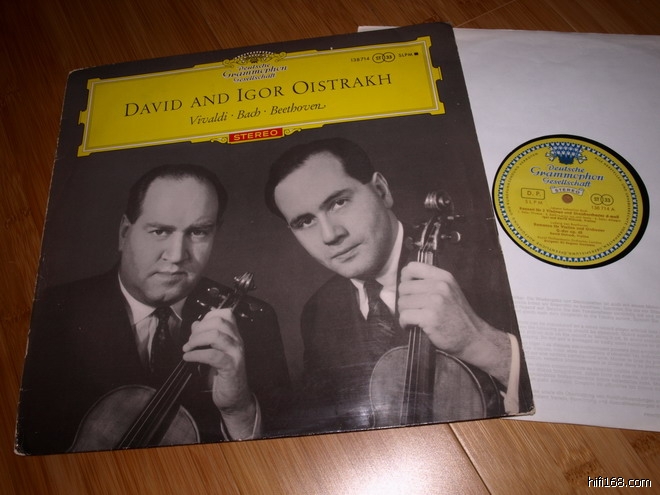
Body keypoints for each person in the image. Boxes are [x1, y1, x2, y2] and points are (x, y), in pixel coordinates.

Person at [17, 164, 290, 454]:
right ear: (124, 233)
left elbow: (281, 456)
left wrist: (239, 409)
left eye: (198, 232)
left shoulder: (255, 321)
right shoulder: (52, 314)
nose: (177, 255)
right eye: (160, 231)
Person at [264, 137, 532, 433]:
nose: (330, 235)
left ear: (381, 190)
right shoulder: (319, 310)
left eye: (339, 203)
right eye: (305, 222)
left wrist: (479, 342)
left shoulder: (495, 259)